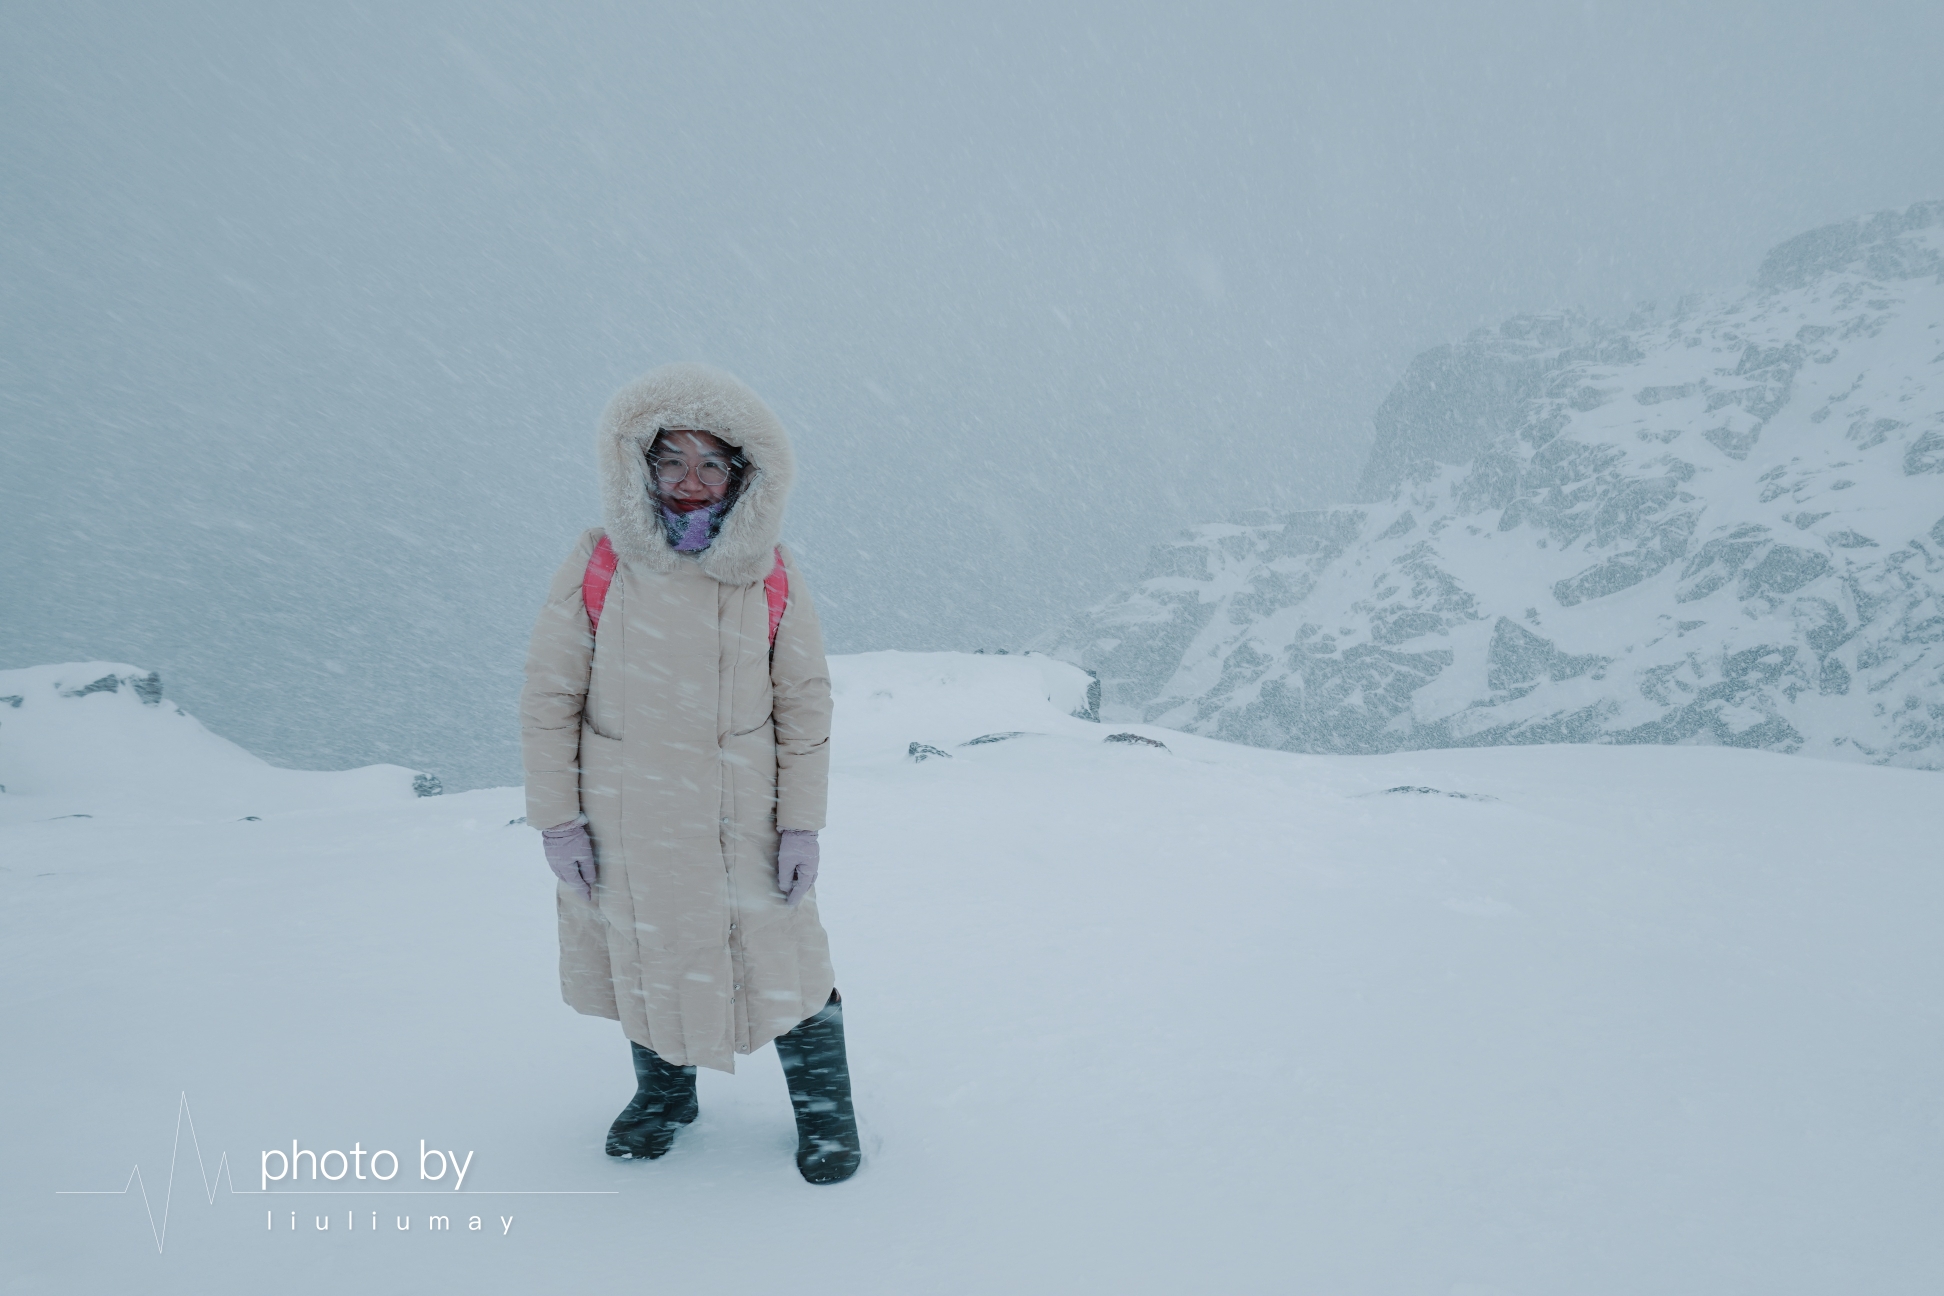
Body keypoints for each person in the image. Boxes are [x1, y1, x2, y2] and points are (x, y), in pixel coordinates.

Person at [518, 362, 859, 1184]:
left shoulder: (768, 570)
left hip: (741, 819)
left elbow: (804, 704)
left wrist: (801, 823)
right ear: (641, 469)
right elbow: (548, 693)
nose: (691, 483)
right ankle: (664, 1099)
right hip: (627, 816)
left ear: (743, 474)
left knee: (785, 964)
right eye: (671, 462)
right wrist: (557, 819)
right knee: (644, 953)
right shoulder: (600, 563)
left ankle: (825, 1117)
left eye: (711, 464)